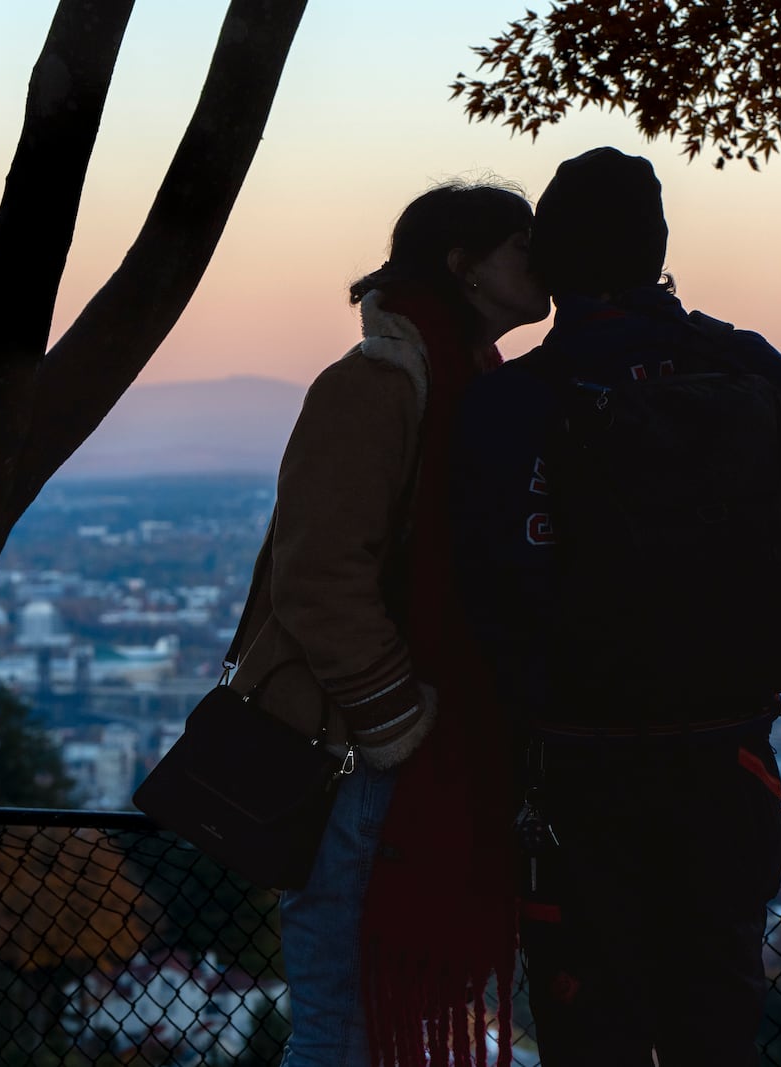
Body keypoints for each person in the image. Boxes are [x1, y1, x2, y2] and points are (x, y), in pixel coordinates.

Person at [451, 147, 781, 1066]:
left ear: (549, 259)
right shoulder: (751, 369)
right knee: (715, 1028)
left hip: (576, 780)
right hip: (728, 768)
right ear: (660, 246)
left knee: (588, 1031)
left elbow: (481, 594)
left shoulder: (514, 400)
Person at [231, 179, 549, 1067]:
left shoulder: (466, 386)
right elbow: (318, 573)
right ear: (464, 266)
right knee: (342, 1027)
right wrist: (398, 721)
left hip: (415, 756)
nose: (545, 262)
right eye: (523, 246)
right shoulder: (376, 385)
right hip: (365, 757)